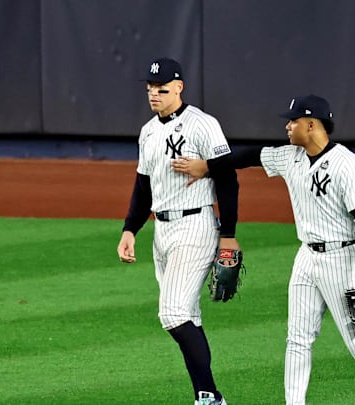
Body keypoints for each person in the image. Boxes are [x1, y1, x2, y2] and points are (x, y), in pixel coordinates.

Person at [171, 95, 355, 404]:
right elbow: (250, 156)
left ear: (311, 124)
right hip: (306, 258)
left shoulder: (348, 165)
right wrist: (207, 166)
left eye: (292, 121)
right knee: (297, 340)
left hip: (342, 259)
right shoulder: (290, 156)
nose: (287, 126)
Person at [116, 57, 239, 405]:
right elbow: (143, 186)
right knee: (188, 315)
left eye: (162, 88)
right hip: (162, 231)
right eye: (150, 88)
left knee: (172, 314)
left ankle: (210, 396)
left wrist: (227, 234)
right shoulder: (148, 132)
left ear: (179, 87)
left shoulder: (203, 125)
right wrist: (130, 229)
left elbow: (228, 178)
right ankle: (206, 397)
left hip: (195, 225)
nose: (155, 94)